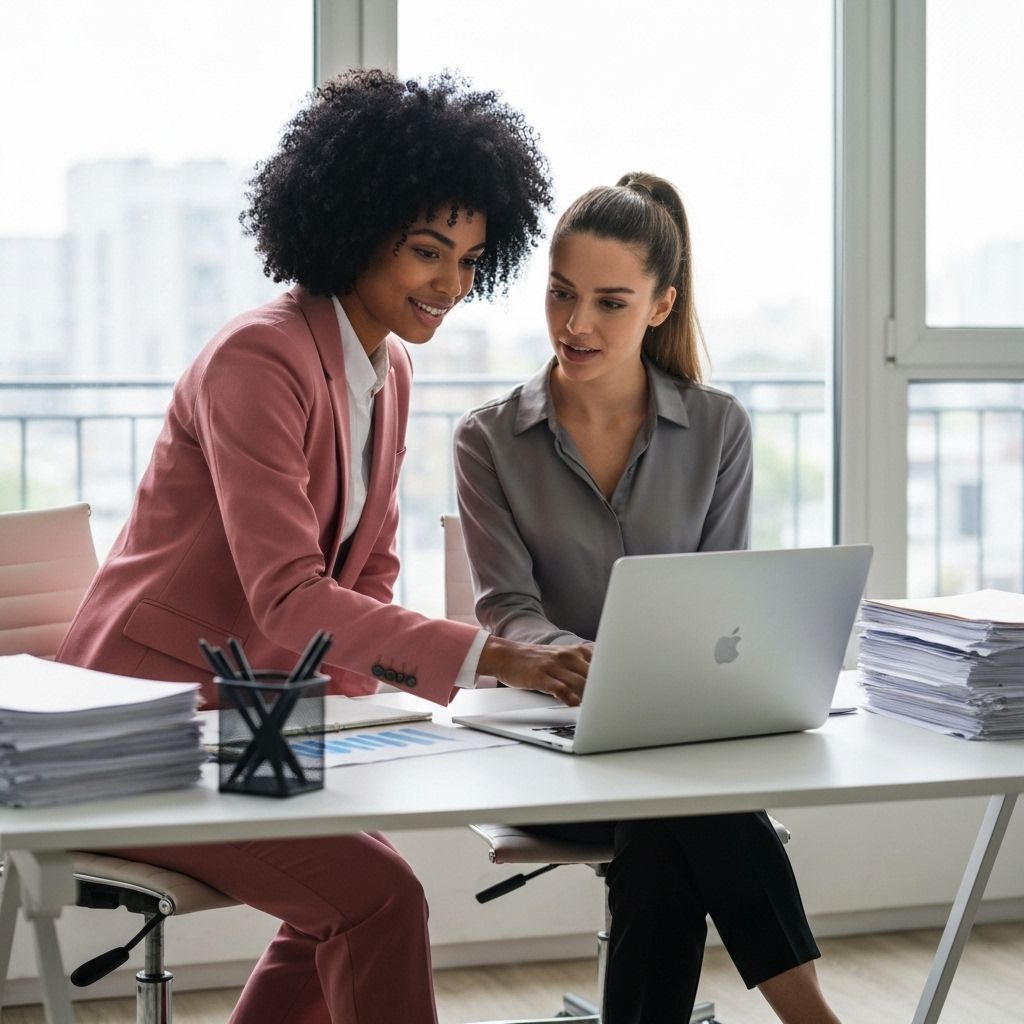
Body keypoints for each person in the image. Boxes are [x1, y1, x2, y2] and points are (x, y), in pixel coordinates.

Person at [56, 68, 590, 1024]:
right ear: (352, 229)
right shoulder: (258, 360)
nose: (451, 285)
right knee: (377, 896)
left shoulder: (387, 372)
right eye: (429, 251)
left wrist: (376, 726)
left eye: (471, 260)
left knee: (358, 880)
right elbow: (289, 596)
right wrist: (494, 657)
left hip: (261, 720)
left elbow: (369, 573)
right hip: (149, 733)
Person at [454, 172, 842, 1024]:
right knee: (688, 805)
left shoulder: (719, 428)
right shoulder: (488, 438)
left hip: (676, 735)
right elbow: (505, 607)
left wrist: (660, 680)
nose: (577, 324)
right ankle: (813, 1016)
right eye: (560, 294)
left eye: (610, 301)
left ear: (661, 306)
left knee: (667, 819)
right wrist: (569, 659)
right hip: (549, 727)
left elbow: (721, 604)